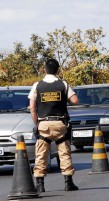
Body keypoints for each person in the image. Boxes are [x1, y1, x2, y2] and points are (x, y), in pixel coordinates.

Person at [28, 58, 79, 193]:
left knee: (41, 154)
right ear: (58, 70)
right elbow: (75, 100)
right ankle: (68, 183)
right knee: (64, 153)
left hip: (43, 123)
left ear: (45, 69)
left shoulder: (37, 85)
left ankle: (40, 185)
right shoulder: (63, 84)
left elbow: (32, 108)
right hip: (60, 123)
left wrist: (37, 124)